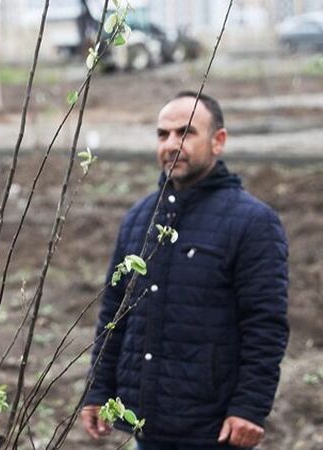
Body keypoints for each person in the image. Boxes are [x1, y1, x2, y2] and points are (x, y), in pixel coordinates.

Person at [80, 92, 289, 450]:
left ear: (218, 141)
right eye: (163, 135)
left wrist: (250, 408)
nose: (171, 145)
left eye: (185, 133)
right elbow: (114, 311)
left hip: (214, 428)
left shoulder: (253, 223)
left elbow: (264, 324)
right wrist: (98, 389)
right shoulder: (138, 219)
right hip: (147, 424)